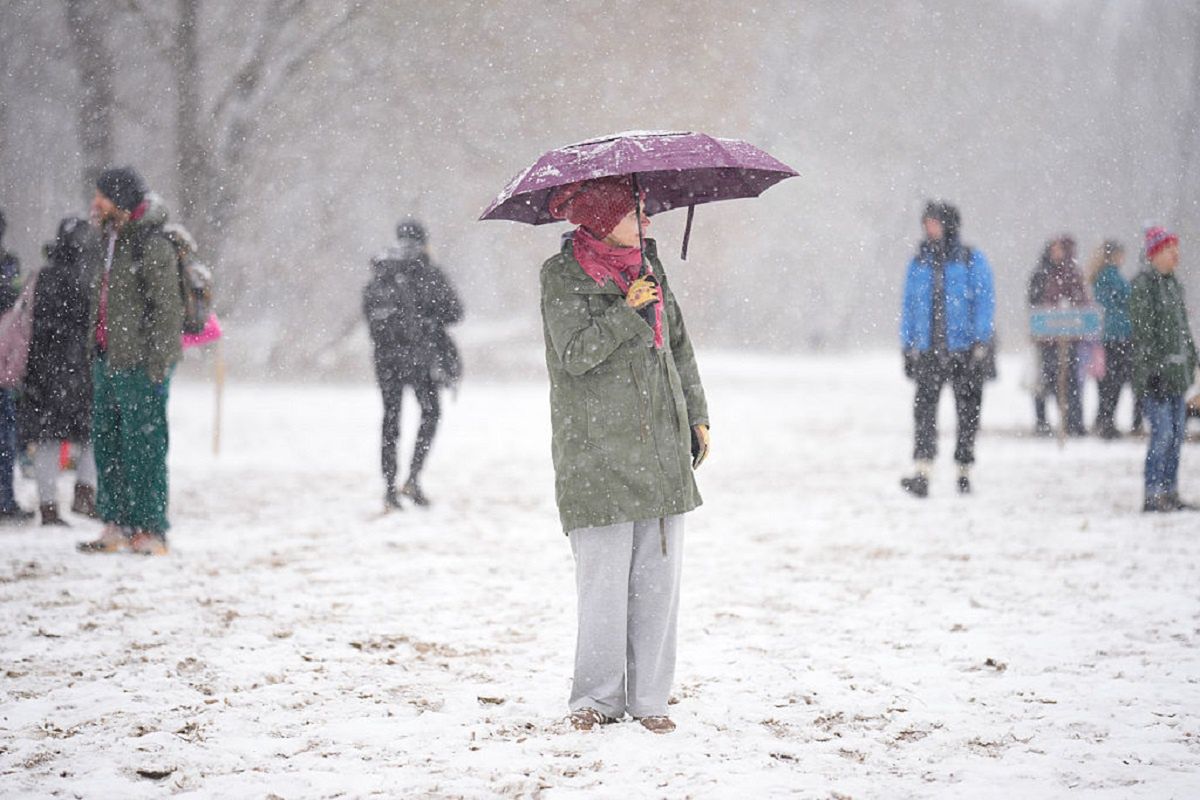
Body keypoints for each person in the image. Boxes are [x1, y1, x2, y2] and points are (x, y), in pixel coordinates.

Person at [540, 175, 709, 734]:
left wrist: (697, 413)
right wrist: (624, 312)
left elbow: (677, 346)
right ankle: (595, 699)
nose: (648, 223)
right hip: (596, 450)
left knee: (658, 581)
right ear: (605, 218)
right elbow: (574, 356)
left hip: (660, 442)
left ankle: (650, 700)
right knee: (604, 584)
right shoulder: (561, 277)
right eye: (638, 213)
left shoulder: (650, 269)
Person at [77, 168, 184, 555]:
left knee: (145, 447)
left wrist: (157, 366)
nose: (95, 203)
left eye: (101, 196)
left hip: (141, 365)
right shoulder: (109, 240)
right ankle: (116, 523)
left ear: (120, 200)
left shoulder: (151, 243)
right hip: (108, 359)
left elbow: (167, 311)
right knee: (108, 443)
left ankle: (151, 528)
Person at [362, 218, 462, 509]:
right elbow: (456, 311)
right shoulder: (426, 268)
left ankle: (389, 487)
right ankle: (413, 478)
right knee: (430, 413)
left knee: (390, 418)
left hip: (386, 358)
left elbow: (368, 314)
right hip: (421, 356)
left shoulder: (381, 270)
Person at [899, 201, 996, 497]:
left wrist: (981, 340)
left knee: (968, 412)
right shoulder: (919, 262)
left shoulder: (970, 259)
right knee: (924, 411)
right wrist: (907, 344)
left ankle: (964, 468)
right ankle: (923, 468)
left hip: (964, 351)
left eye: (934, 222)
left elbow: (984, 301)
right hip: (929, 351)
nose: (929, 229)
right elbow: (908, 306)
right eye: (926, 223)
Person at [19, 217, 100, 525]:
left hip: (43, 371)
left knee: (49, 439)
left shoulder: (43, 278)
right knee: (91, 434)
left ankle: (49, 506)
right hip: (80, 370)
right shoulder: (87, 280)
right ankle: (84, 493)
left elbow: (34, 327)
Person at [1129, 226, 1198, 512]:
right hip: (1155, 378)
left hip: (1178, 378)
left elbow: (1183, 331)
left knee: (1177, 434)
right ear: (1155, 252)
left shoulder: (1173, 285)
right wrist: (1151, 372)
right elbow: (1144, 335)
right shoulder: (1144, 286)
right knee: (1162, 435)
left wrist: (1194, 357)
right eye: (1170, 250)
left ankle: (1170, 491)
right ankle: (1152, 492)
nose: (1176, 255)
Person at [1029, 235, 1089, 436]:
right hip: (1046, 340)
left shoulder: (1072, 274)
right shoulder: (1041, 274)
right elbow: (1033, 302)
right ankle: (1043, 421)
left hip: (1067, 339)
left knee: (1069, 380)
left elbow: (1082, 303)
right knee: (1045, 381)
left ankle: (1072, 422)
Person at [0, 208, 34, 522]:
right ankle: (4, 499)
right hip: (4, 363)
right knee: (5, 435)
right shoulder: (8, 265)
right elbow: (15, 307)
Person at [1089, 240, 1142, 438]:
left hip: (1114, 334)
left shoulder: (1104, 275)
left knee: (1111, 381)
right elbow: (1120, 300)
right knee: (1114, 381)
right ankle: (1107, 422)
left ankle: (1105, 419)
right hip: (1119, 335)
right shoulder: (1110, 276)